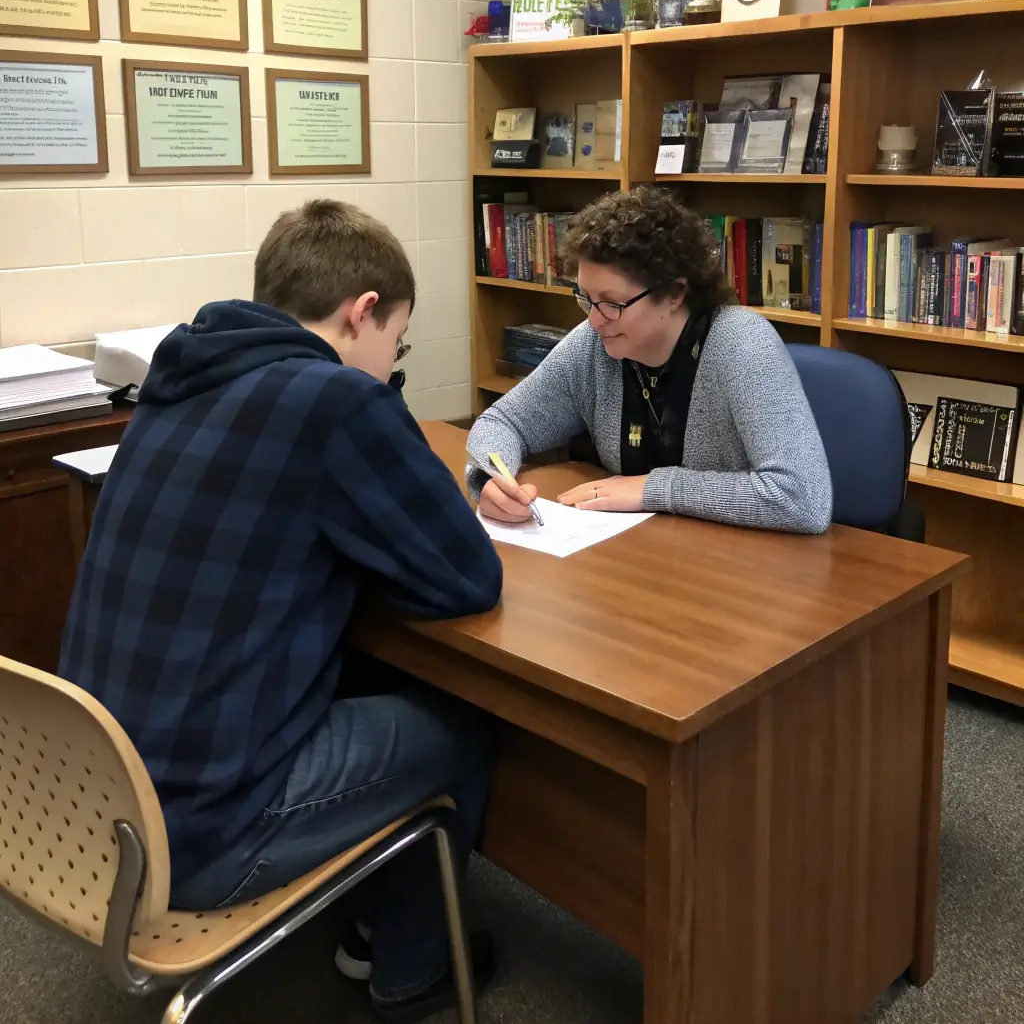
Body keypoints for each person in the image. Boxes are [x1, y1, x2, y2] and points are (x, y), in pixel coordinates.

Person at [60, 199, 503, 1020]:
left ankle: (368, 914)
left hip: (85, 795)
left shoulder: (178, 374)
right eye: (395, 344)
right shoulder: (336, 401)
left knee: (358, 672)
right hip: (196, 837)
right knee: (461, 723)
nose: (391, 362)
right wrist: (383, 394)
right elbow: (467, 576)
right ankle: (410, 966)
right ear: (362, 310)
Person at [468, 186, 832, 534]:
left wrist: (653, 489)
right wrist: (490, 479)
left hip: (744, 570)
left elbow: (802, 498)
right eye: (585, 298)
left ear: (674, 292)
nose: (594, 319)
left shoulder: (741, 344)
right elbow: (504, 421)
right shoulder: (595, 342)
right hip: (644, 558)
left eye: (612, 303)